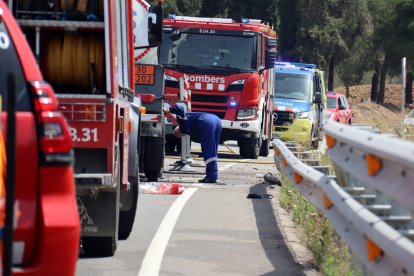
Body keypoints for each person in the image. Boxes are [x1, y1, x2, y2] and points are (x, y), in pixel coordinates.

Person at [169, 104, 222, 183]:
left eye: (176, 134)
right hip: (216, 120)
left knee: (208, 150)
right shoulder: (187, 130)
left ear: (178, 128)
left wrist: (170, 110)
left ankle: (211, 176)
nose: (179, 136)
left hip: (206, 123)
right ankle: (212, 175)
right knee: (213, 150)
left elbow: (180, 109)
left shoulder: (182, 123)